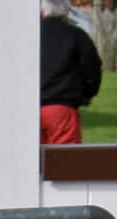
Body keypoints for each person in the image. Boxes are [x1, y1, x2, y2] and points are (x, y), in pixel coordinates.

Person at [39, 0, 100, 146]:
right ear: (66, 12)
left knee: (30, 162)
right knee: (64, 161)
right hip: (62, 110)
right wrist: (87, 94)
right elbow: (92, 68)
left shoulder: (29, 36)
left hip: (30, 107)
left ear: (43, 12)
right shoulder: (76, 36)